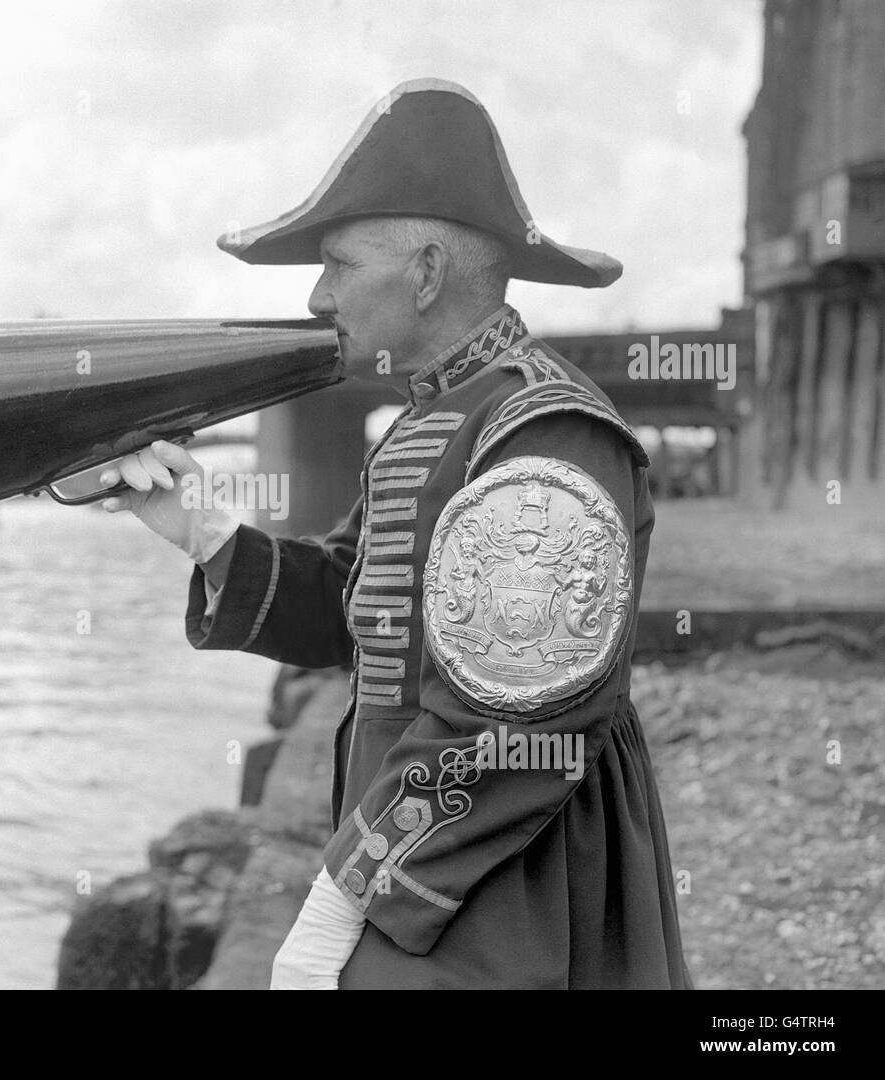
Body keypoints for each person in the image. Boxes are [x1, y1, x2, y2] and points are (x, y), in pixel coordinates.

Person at [101, 79, 691, 990]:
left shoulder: (544, 428)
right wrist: (205, 532)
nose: (316, 295)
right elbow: (356, 614)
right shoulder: (434, 417)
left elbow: (517, 716)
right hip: (422, 851)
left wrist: (348, 889)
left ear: (425, 272)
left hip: (512, 867)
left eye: (338, 264)